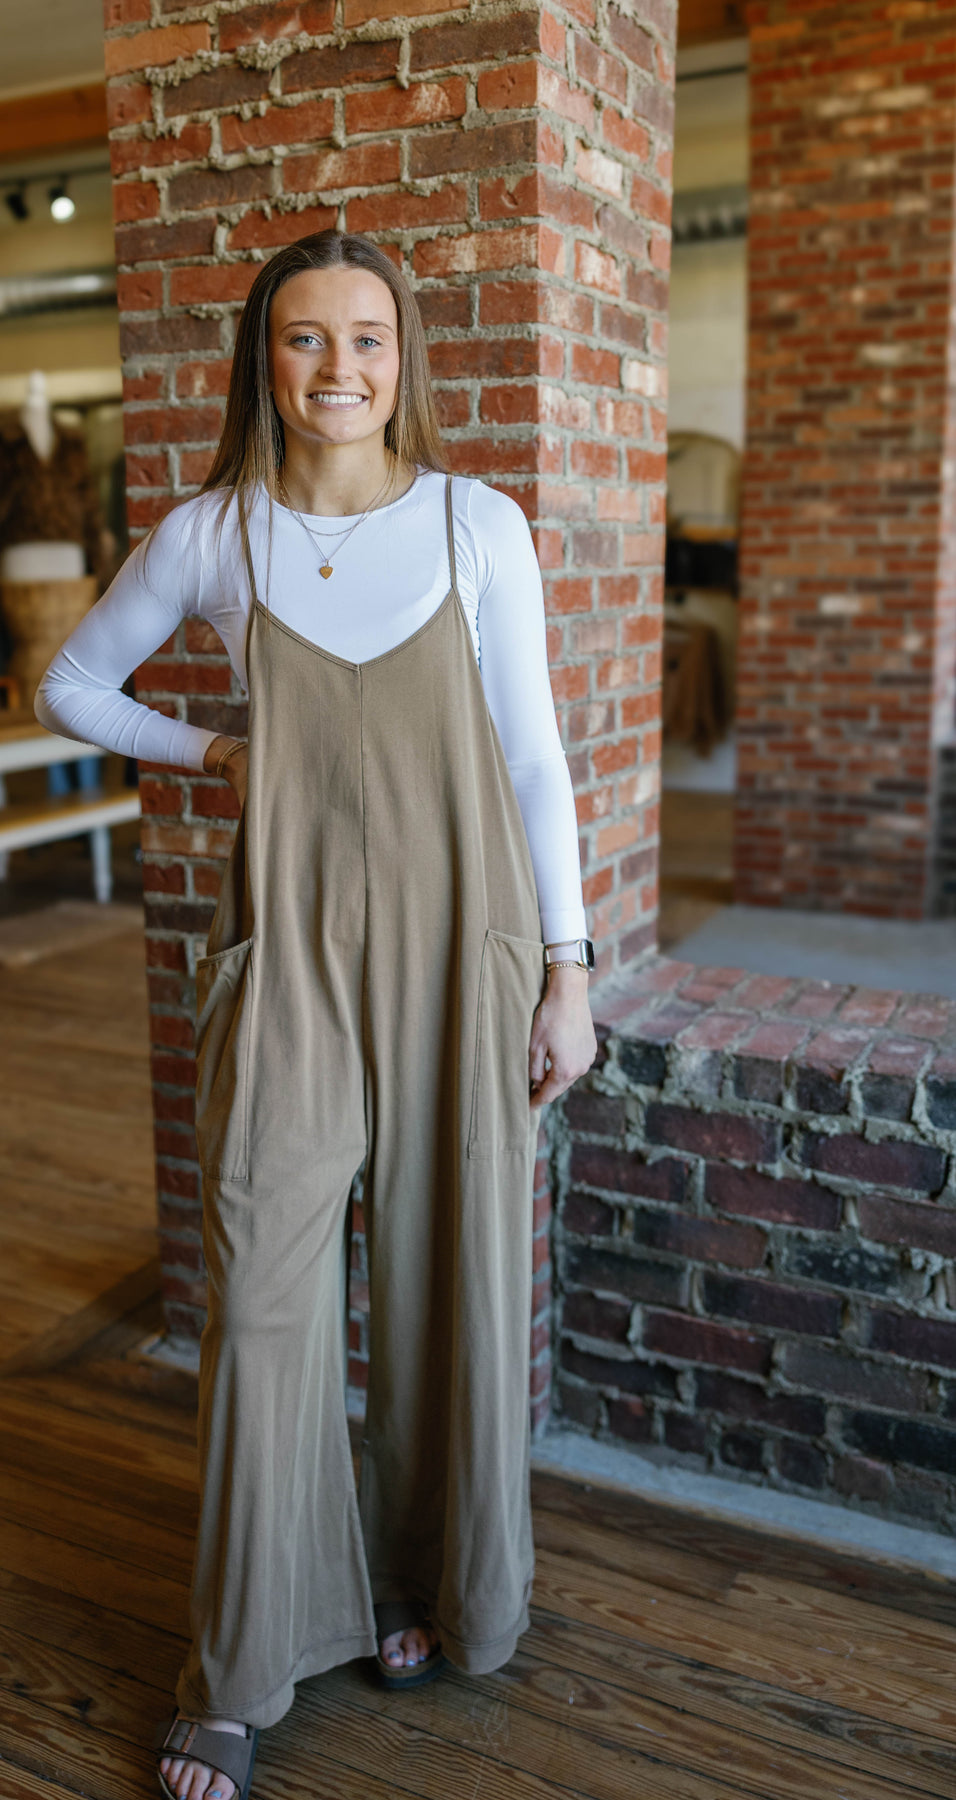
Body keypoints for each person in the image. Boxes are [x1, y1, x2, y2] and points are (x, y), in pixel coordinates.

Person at [35, 228, 597, 1800]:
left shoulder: (477, 525)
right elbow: (71, 687)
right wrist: (213, 753)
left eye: (366, 338)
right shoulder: (214, 535)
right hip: (281, 958)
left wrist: (569, 970)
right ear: (262, 359)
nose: (336, 368)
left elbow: (535, 755)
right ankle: (236, 1666)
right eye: (303, 338)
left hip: (463, 953)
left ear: (403, 357)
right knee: (264, 1304)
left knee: (443, 1284)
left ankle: (420, 1588)